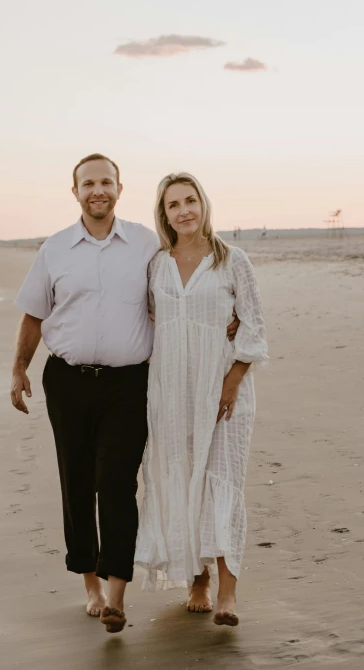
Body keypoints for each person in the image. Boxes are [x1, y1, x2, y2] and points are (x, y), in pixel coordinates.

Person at [10, 153, 242, 633]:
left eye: (106, 182)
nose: (98, 190)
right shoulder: (55, 249)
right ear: (74, 192)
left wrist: (225, 320)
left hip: (127, 384)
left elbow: (187, 280)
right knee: (76, 483)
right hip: (67, 379)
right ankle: (90, 584)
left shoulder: (144, 243)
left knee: (116, 484)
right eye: (88, 183)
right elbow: (33, 313)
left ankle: (116, 595)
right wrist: (18, 370)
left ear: (119, 188)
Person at [135, 172, 268, 628]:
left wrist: (232, 380)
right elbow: (153, 324)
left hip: (224, 391)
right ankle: (198, 581)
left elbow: (253, 325)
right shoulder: (156, 265)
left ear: (204, 204)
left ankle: (228, 593)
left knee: (223, 480)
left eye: (191, 201)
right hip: (171, 392)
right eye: (174, 205)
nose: (184, 211)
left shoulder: (232, 260)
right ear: (164, 213)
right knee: (180, 479)